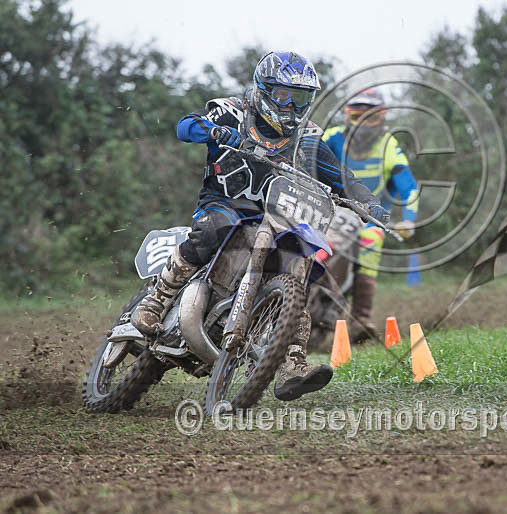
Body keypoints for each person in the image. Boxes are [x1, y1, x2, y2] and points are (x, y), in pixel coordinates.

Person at [130, 51, 388, 401]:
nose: (292, 106)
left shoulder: (308, 137)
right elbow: (185, 126)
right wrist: (215, 131)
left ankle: (291, 361)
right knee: (213, 229)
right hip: (224, 204)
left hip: (277, 216)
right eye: (284, 95)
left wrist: (369, 204)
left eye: (301, 99)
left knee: (302, 260)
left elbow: (342, 177)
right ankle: (157, 301)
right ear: (264, 89)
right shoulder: (232, 110)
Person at [322, 89, 418, 341]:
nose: (363, 124)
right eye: (357, 116)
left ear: (382, 118)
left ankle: (360, 320)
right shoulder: (332, 137)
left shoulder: (389, 145)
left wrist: (408, 219)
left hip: (370, 219)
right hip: (329, 211)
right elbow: (305, 153)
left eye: (371, 117)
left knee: (371, 242)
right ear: (347, 116)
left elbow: (408, 187)